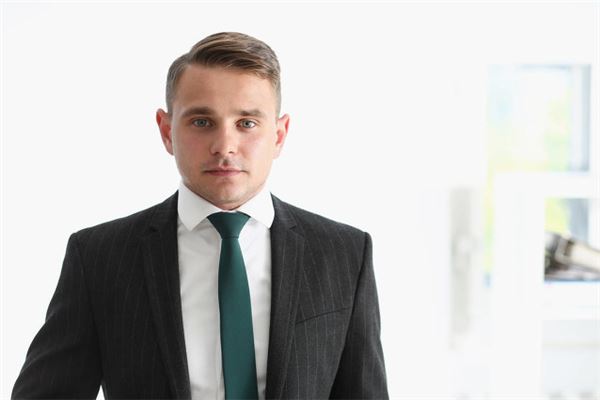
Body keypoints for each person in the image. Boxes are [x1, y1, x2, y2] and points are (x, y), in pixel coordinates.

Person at [12, 32, 388, 399]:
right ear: (166, 131)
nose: (225, 146)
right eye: (202, 122)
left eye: (247, 123)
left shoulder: (344, 253)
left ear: (279, 134)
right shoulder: (99, 257)